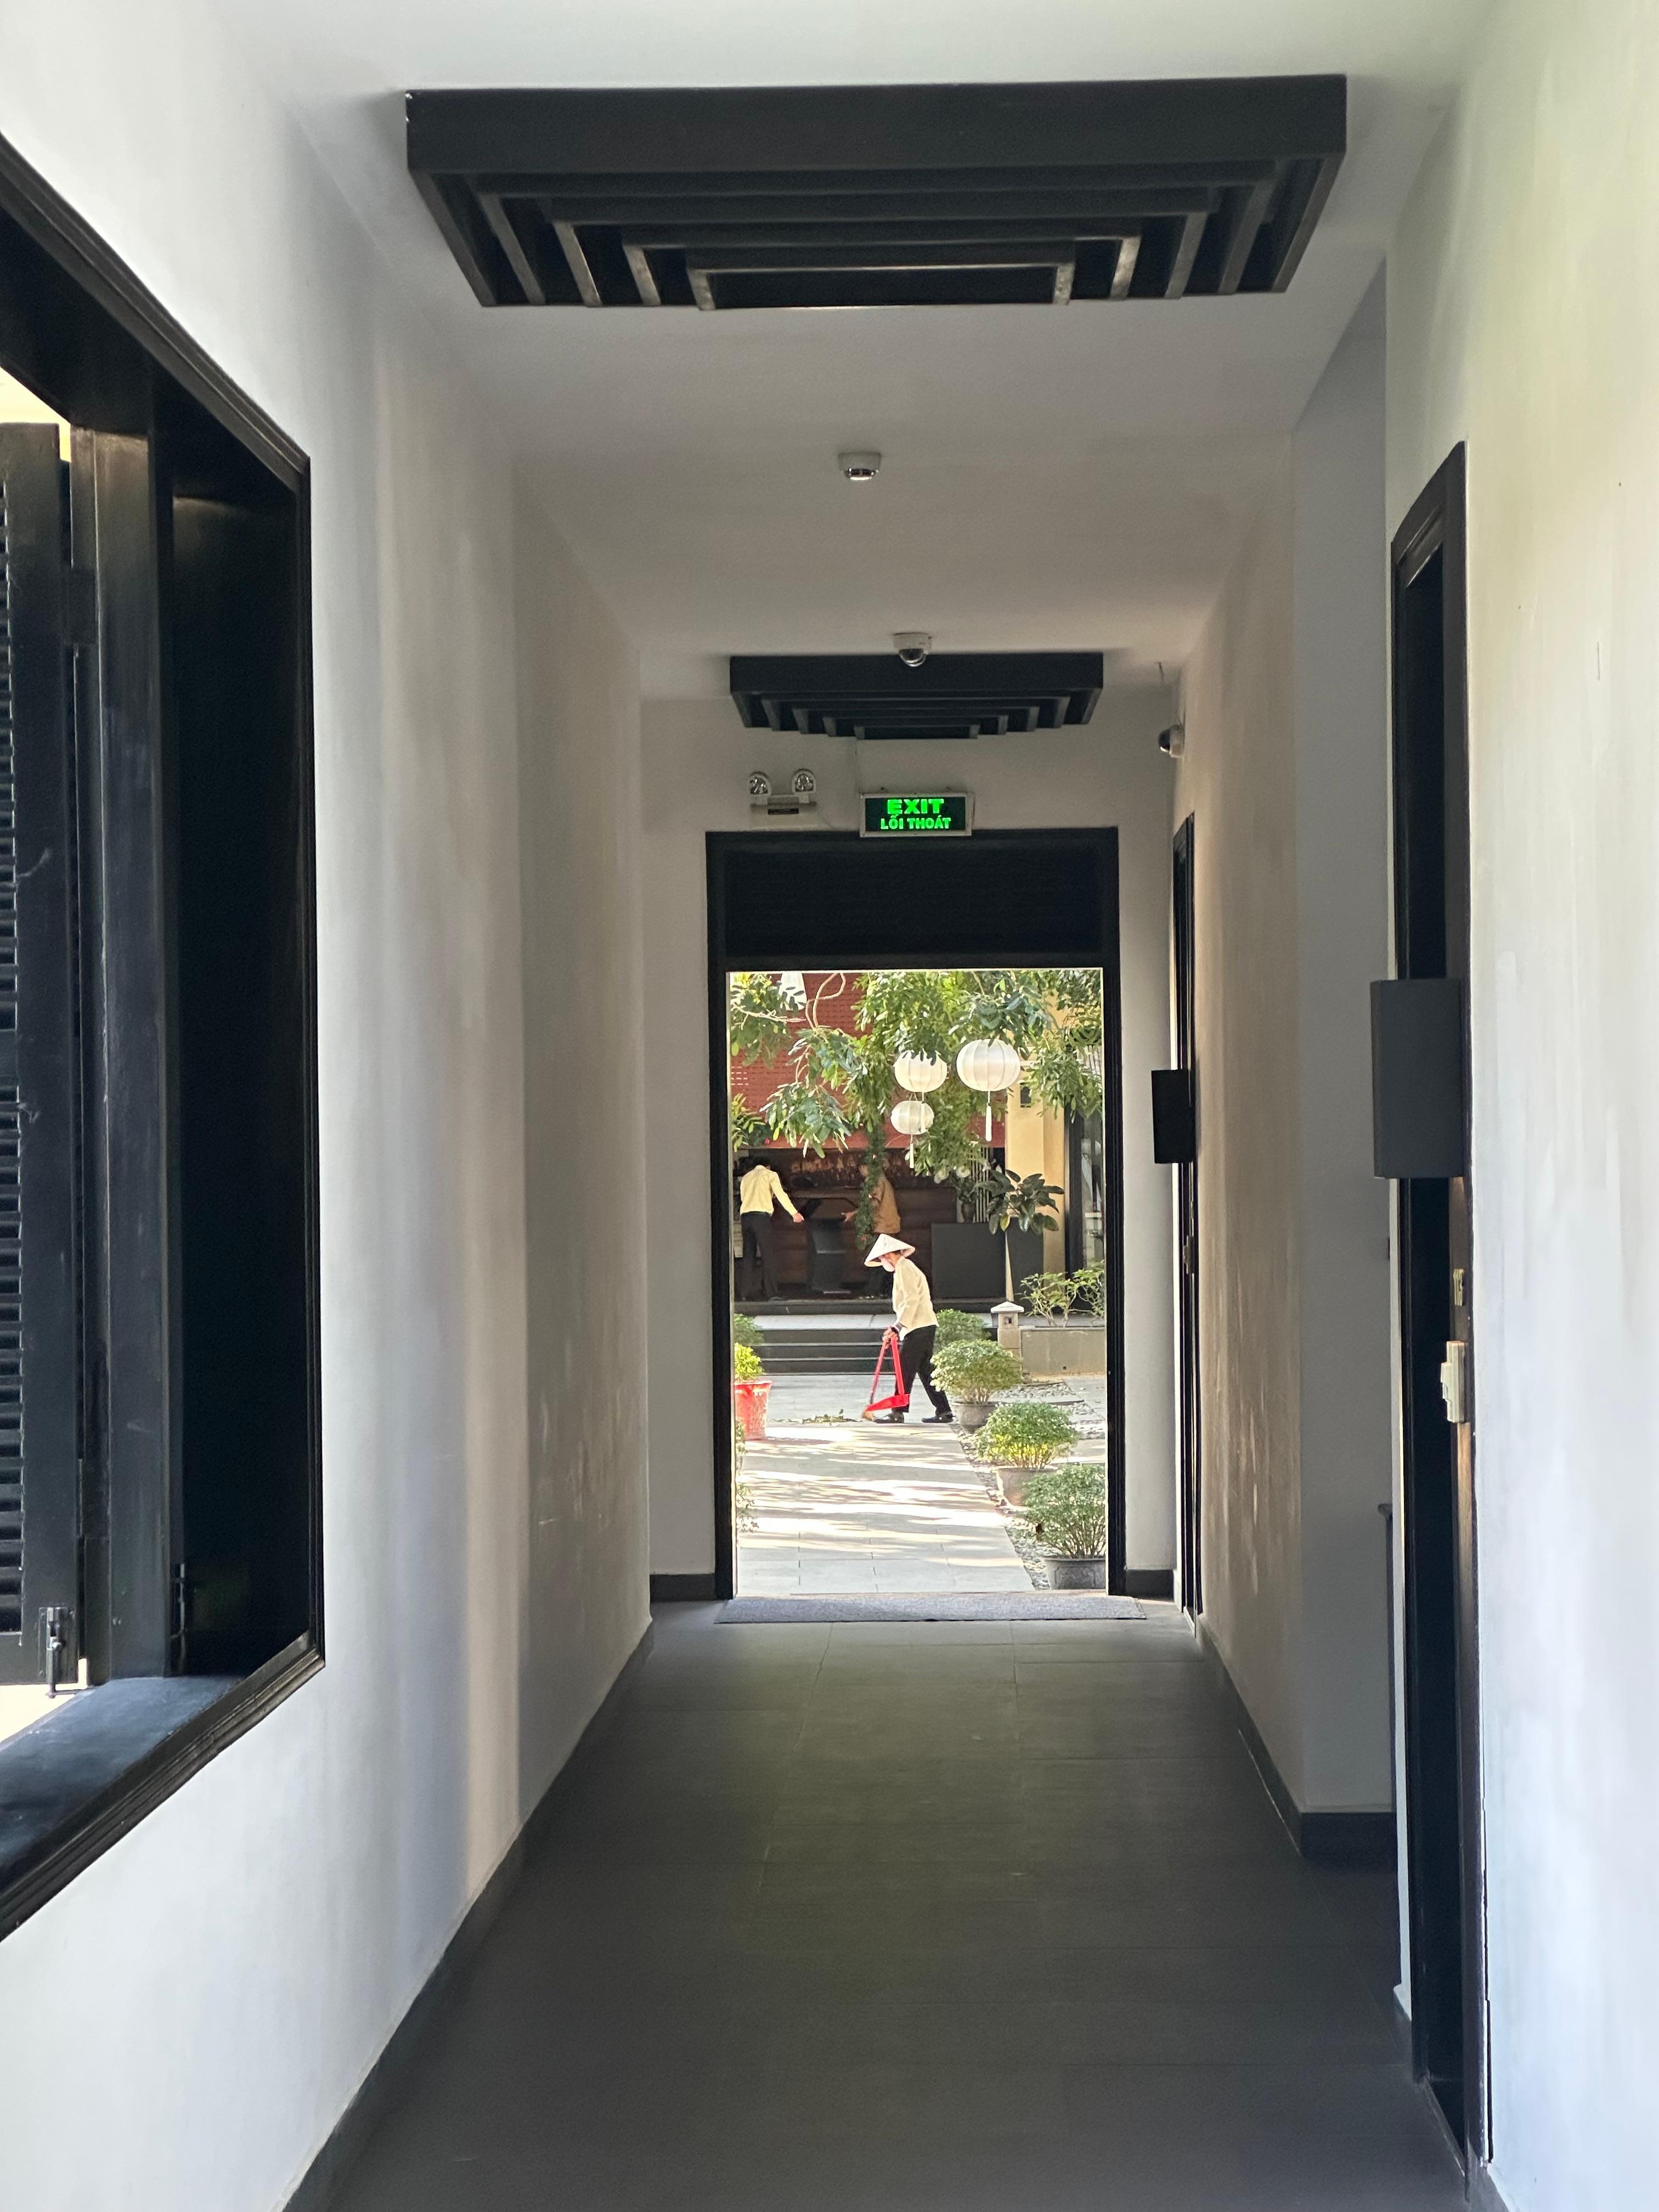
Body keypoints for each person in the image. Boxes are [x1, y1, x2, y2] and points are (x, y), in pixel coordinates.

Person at [865, 1232, 953, 1423]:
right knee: (926, 1370)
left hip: (918, 1327)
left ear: (888, 1255)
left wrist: (897, 1327)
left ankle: (897, 1411)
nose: (883, 1262)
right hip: (922, 1325)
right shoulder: (904, 1268)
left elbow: (911, 1301)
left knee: (904, 1370)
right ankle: (944, 1410)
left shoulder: (905, 1268)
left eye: (882, 1258)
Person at [738, 1153, 802, 1301]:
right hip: (761, 1217)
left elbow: (743, 1198)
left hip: (746, 1217)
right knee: (768, 1255)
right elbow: (781, 1195)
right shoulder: (770, 1175)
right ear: (768, 1166)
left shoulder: (746, 1177)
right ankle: (771, 1293)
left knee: (748, 1256)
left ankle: (744, 1293)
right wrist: (794, 1213)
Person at [867, 1160, 902, 1240]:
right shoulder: (884, 1181)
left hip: (883, 1226)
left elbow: (875, 1203)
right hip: (890, 1226)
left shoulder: (878, 1182)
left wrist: (858, 1212)